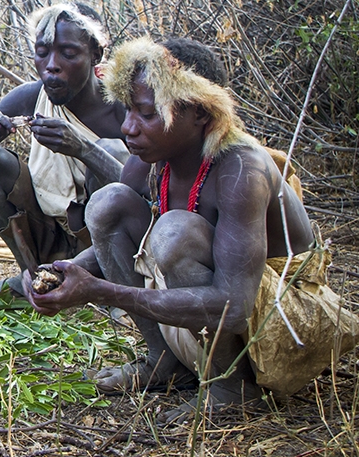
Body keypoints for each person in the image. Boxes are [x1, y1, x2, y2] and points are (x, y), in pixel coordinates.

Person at [23, 36, 359, 422]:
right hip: (226, 308)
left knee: (174, 233)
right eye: (127, 111)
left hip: (285, 323)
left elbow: (234, 308)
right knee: (108, 203)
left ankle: (232, 387)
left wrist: (100, 291)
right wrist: (63, 273)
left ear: (199, 113)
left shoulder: (240, 169)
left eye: (147, 114)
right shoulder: (149, 161)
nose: (129, 128)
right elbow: (109, 240)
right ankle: (164, 361)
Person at [0, 3, 127, 294]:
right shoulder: (30, 97)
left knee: (110, 150)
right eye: (42, 52)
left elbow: (147, 198)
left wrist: (84, 150)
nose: (52, 64)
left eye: (68, 53)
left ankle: (104, 286)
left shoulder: (124, 109)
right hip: (51, 240)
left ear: (95, 55)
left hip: (109, 255)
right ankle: (35, 276)